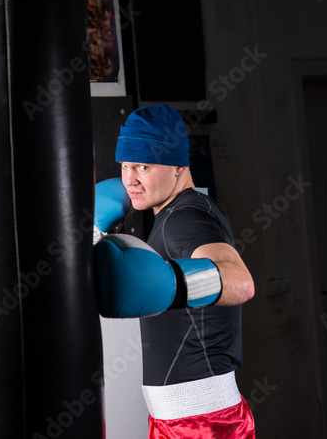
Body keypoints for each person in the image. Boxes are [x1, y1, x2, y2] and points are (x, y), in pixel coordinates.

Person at [94, 104, 256, 438]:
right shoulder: (180, 210)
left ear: (179, 166)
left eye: (143, 166)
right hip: (182, 421)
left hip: (204, 424)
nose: (129, 180)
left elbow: (240, 282)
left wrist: (173, 285)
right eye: (125, 165)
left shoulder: (185, 219)